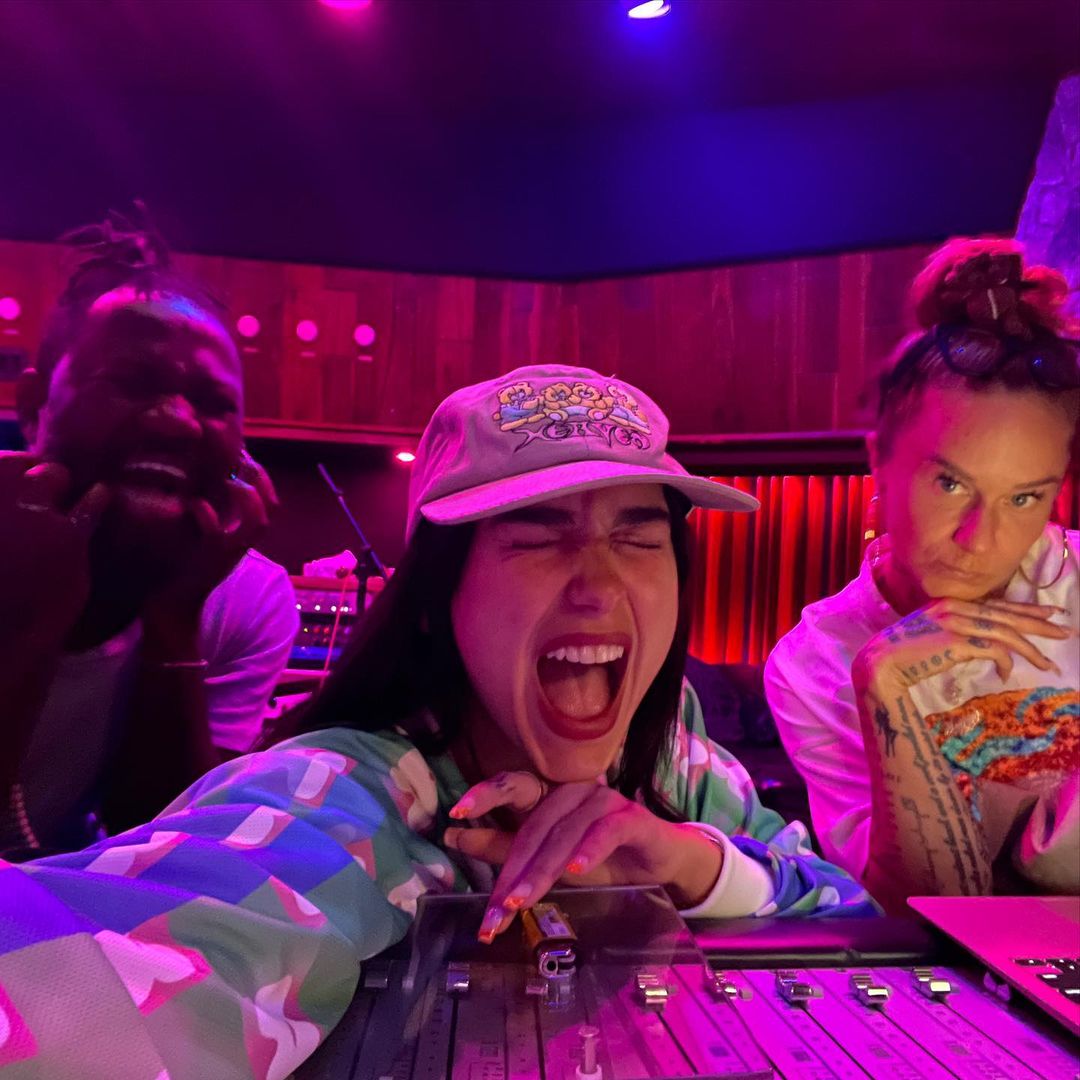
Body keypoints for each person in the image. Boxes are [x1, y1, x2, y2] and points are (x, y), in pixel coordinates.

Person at [0, 364, 874, 1079]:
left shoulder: (680, 765)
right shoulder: (346, 801)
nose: (600, 585)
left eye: (639, 538)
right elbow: (107, 975)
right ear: (434, 601)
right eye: (537, 535)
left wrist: (687, 864)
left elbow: (856, 920)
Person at [765, 239, 1079, 912]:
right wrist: (887, 690)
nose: (980, 539)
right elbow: (919, 911)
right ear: (879, 460)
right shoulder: (813, 662)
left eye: (1024, 497)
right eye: (950, 484)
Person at [0, 208, 297, 855]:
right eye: (131, 384)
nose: (177, 422)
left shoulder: (242, 598)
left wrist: (173, 619)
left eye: (214, 404)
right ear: (32, 408)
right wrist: (29, 626)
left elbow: (166, 854)